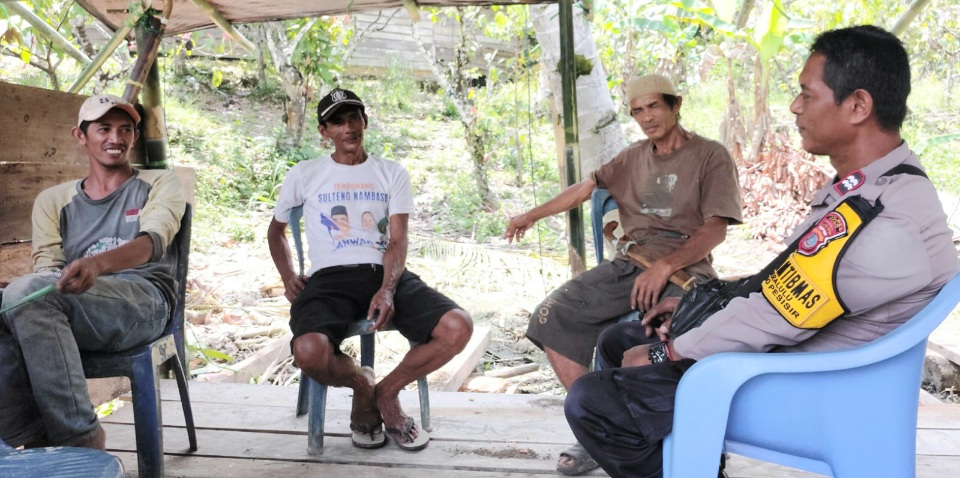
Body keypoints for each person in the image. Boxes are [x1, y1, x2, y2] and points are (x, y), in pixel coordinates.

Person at [565, 25, 960, 478]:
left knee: (593, 400)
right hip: (799, 356)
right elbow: (787, 285)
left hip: (810, 386)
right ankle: (692, 464)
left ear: (858, 106)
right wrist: (704, 302)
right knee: (621, 340)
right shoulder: (868, 189)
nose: (794, 106)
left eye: (806, 95)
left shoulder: (890, 219)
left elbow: (778, 314)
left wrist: (668, 354)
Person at [502, 74, 743, 474]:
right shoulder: (632, 157)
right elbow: (583, 188)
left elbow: (715, 228)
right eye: (637, 111)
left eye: (653, 106)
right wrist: (529, 215)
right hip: (628, 264)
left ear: (675, 105)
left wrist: (666, 266)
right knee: (550, 316)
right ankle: (602, 426)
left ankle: (686, 437)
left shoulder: (709, 155)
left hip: (684, 270)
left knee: (678, 336)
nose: (646, 117)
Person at [267, 87, 473, 451]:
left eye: (353, 118)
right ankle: (363, 385)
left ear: (364, 121)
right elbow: (276, 230)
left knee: (458, 327)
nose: (348, 128)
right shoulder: (305, 173)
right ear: (323, 131)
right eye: (337, 122)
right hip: (330, 279)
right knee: (309, 351)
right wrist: (287, 276)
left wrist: (388, 287)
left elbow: (398, 239)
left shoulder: (391, 173)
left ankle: (387, 393)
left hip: (384, 273)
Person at [0, 95, 186, 450]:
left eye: (124, 130)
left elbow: (153, 242)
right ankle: (29, 441)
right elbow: (47, 270)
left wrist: (96, 264)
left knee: (25, 296)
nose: (115, 138)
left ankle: (82, 439)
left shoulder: (159, 182)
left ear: (133, 137)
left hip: (144, 298)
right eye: (103, 129)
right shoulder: (53, 200)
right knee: (12, 302)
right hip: (76, 306)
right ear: (81, 136)